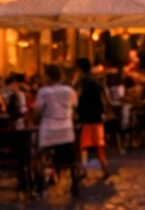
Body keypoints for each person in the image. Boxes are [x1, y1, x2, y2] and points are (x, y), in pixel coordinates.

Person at [33, 64, 78, 192]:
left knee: (39, 154)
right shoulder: (69, 90)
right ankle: (73, 179)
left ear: (48, 77)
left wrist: (35, 121)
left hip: (49, 131)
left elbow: (37, 111)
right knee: (69, 155)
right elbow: (74, 108)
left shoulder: (44, 92)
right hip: (66, 131)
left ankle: (40, 180)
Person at [74, 57, 111, 183]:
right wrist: (106, 110)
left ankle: (83, 169)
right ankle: (105, 168)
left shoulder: (81, 81)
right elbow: (104, 95)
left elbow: (76, 97)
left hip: (85, 117)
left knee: (83, 145)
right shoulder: (95, 80)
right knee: (99, 145)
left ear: (79, 68)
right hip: (97, 117)